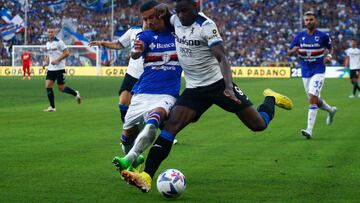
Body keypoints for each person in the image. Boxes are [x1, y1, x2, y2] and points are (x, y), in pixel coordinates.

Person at [120, 0, 293, 193]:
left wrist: (228, 86)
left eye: (185, 11)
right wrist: (164, 8)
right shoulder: (175, 19)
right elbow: (159, 18)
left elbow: (222, 57)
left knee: (258, 125)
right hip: (195, 89)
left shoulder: (206, 26)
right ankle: (146, 176)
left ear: (196, 7)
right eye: (179, 11)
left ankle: (271, 98)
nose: (182, 15)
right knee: (170, 128)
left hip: (218, 85)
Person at [111, 0, 182, 174]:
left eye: (152, 17)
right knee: (127, 134)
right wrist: (136, 50)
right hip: (142, 92)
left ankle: (130, 158)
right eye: (145, 18)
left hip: (167, 94)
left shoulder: (179, 35)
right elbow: (136, 53)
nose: (149, 22)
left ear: (162, 14)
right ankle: (132, 164)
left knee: (153, 122)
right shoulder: (145, 36)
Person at [288, 11, 337, 139]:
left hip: (319, 70)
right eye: (307, 20)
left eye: (311, 19)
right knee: (314, 99)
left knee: (312, 98)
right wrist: (293, 50)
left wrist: (329, 56)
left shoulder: (323, 36)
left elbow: (330, 48)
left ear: (316, 21)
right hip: (305, 72)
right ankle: (331, 111)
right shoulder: (299, 36)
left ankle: (309, 130)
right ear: (304, 22)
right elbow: (289, 51)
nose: (308, 22)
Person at [89, 23, 146, 123]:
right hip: (132, 73)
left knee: (150, 107)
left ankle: (166, 134)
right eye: (145, 18)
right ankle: (128, 133)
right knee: (123, 103)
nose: (148, 20)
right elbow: (119, 44)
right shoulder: (134, 30)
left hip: (149, 74)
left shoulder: (159, 33)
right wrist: (102, 43)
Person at [42, 26, 81, 112]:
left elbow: (67, 53)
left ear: (55, 33)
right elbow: (48, 55)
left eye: (52, 32)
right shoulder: (47, 43)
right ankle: (52, 107)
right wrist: (45, 62)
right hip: (51, 69)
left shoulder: (59, 42)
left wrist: (57, 60)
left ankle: (75, 93)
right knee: (48, 86)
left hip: (60, 68)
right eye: (49, 32)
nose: (50, 33)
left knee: (61, 88)